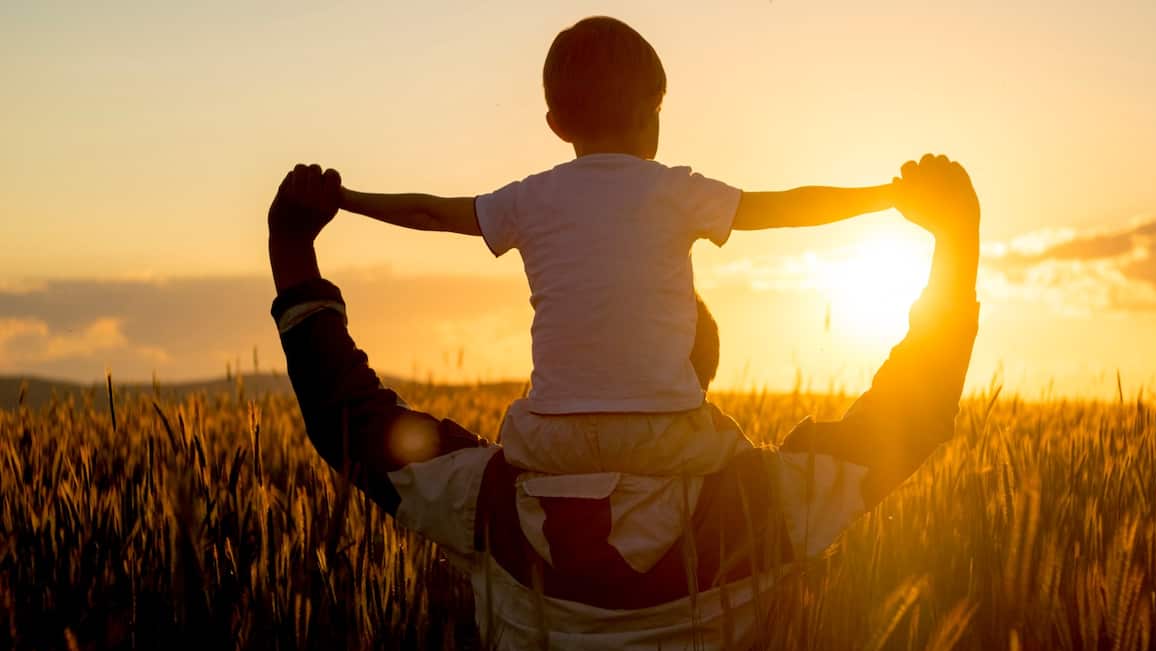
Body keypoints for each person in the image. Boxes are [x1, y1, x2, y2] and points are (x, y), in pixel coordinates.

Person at [266, 153, 980, 651]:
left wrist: (292, 249)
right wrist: (956, 244)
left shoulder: (488, 503)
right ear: (699, 373)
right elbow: (910, 414)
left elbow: (348, 420)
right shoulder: (760, 506)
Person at [331, 16, 907, 480]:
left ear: (557, 124)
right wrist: (887, 196)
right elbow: (786, 207)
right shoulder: (675, 190)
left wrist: (344, 198)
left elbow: (430, 211)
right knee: (751, 475)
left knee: (505, 459)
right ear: (652, 109)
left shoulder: (529, 198)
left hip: (549, 438)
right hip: (665, 434)